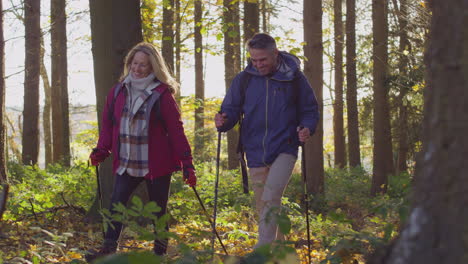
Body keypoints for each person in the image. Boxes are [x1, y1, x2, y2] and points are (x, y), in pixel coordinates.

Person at [86, 42, 196, 261]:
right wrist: (102, 149)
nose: (137, 68)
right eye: (134, 63)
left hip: (156, 164)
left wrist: (187, 163)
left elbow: (176, 131)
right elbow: (109, 124)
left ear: (153, 67)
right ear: (129, 64)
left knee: (158, 211)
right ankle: (108, 250)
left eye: (143, 65)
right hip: (126, 161)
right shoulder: (118, 91)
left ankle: (159, 253)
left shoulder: (162, 95)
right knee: (116, 204)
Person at [214, 33, 319, 249]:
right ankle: (282, 254)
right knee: (264, 204)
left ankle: (261, 251)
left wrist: (307, 127)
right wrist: (222, 121)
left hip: (285, 146)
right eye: (254, 60)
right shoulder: (244, 79)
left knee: (271, 197)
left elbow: (309, 109)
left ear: (275, 53)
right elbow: (230, 110)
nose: (258, 64)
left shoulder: (294, 78)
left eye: (263, 59)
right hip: (254, 150)